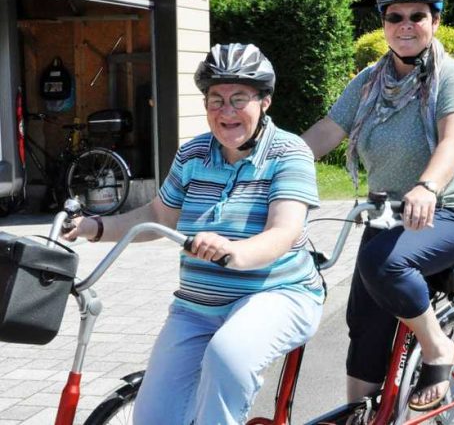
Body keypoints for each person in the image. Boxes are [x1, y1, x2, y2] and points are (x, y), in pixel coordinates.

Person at [63, 43, 324, 424]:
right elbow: (157, 214)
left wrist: (235, 251)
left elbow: (282, 232)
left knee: (228, 355)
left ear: (264, 101)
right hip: (196, 307)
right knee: (152, 417)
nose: (226, 111)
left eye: (239, 98)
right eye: (215, 100)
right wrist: (93, 226)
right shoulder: (193, 154)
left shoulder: (289, 153)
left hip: (278, 295)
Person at [302, 0, 454, 411]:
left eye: (417, 15)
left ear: (435, 21)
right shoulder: (370, 80)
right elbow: (328, 131)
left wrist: (428, 185)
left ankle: (439, 347)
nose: (405, 24)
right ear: (383, 23)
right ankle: (363, 416)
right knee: (364, 322)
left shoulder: (452, 75)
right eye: (394, 16)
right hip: (387, 209)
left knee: (381, 264)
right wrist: (269, 166)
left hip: (452, 209)